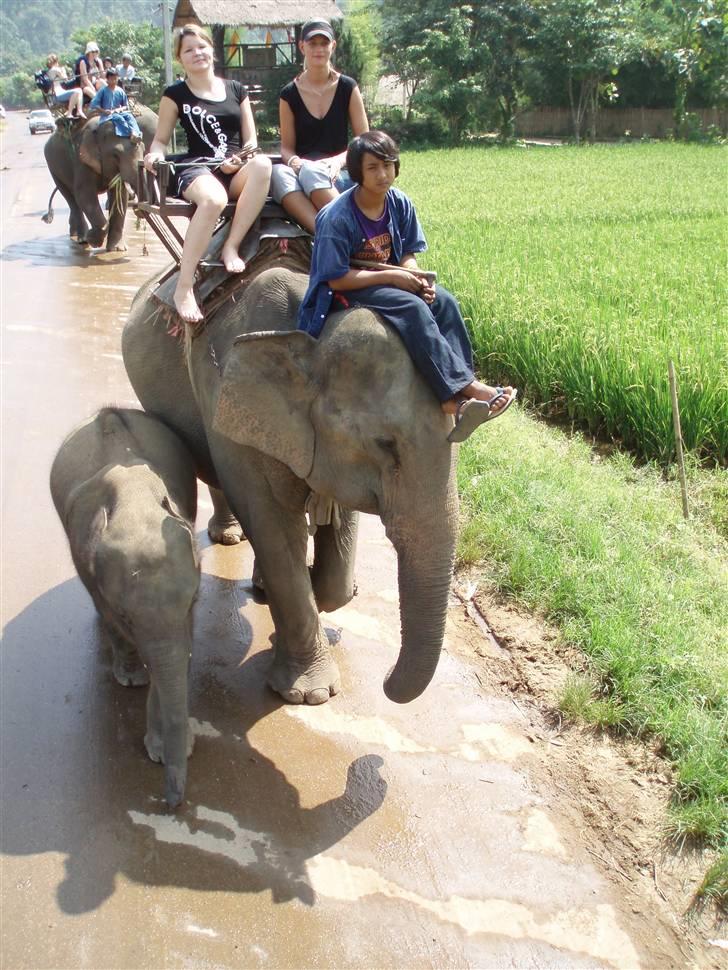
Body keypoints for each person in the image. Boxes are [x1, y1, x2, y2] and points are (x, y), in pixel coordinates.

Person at [298, 131, 517, 443]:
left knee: (443, 302)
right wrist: (394, 278)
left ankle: (459, 395)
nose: (383, 174)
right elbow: (335, 278)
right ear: (357, 172)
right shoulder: (337, 217)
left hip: (387, 282)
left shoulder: (399, 204)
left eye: (388, 165)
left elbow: (408, 255)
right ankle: (465, 389)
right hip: (346, 289)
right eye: (372, 167)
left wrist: (414, 278)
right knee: (412, 308)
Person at [143, 23, 272, 323]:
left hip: (235, 167)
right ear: (180, 58)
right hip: (197, 168)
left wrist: (240, 160)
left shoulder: (236, 89)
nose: (197, 53)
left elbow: (252, 142)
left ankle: (230, 246)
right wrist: (155, 155)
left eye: (201, 46)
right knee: (213, 199)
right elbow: (161, 140)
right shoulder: (175, 93)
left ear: (212, 50)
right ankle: (184, 286)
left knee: (264, 165)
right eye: (188, 50)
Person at [270, 19, 368, 233]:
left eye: (324, 43)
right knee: (277, 174)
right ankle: (330, 235)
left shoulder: (347, 87)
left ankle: (347, 234)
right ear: (302, 47)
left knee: (312, 172)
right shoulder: (288, 94)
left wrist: (337, 161)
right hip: (305, 170)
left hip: (339, 172)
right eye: (312, 43)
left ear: (333, 46)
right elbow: (287, 148)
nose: (318, 49)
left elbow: (364, 141)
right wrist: (297, 163)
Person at [89, 67, 142, 139]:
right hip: (107, 116)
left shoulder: (120, 91)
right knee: (119, 118)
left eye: (115, 78)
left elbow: (126, 106)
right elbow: (94, 104)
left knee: (129, 116)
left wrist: (119, 109)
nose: (113, 81)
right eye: (111, 79)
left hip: (118, 112)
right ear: (107, 79)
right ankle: (129, 133)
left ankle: (136, 133)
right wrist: (104, 111)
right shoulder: (103, 90)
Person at [45, 53, 85, 118]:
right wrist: (63, 70)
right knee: (77, 92)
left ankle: (78, 111)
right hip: (57, 95)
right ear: (55, 61)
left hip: (54, 96)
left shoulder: (49, 71)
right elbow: (65, 79)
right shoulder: (55, 69)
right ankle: (70, 113)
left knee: (79, 90)